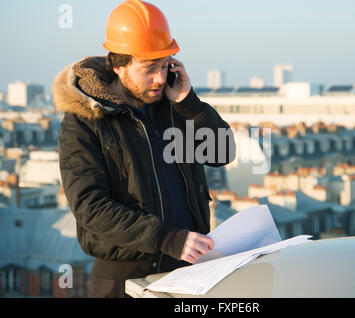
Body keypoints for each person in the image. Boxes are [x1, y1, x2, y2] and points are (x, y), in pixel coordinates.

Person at [52, 0, 235, 298]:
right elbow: (90, 206)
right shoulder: (84, 121)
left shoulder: (175, 105)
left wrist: (190, 104)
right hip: (123, 282)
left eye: (165, 66)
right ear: (118, 65)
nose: (161, 78)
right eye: (149, 68)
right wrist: (165, 238)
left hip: (188, 272)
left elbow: (221, 153)